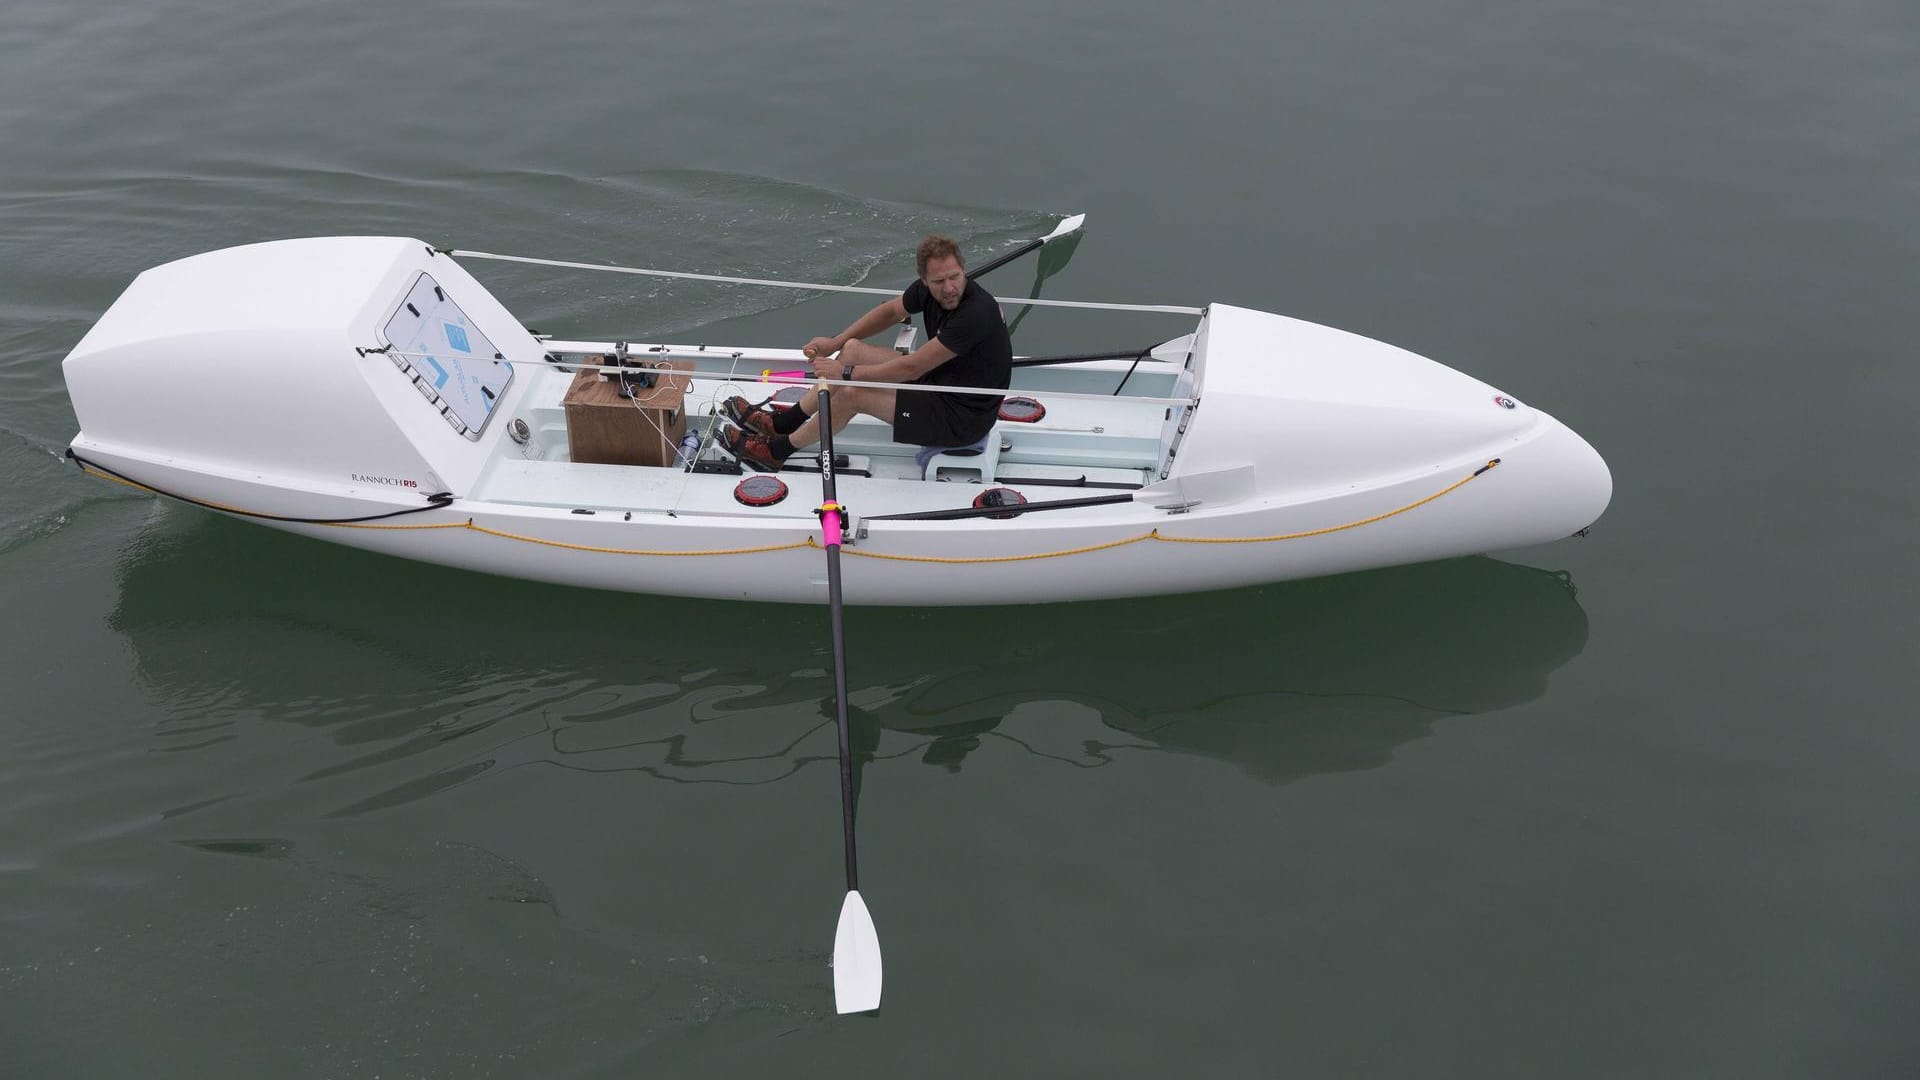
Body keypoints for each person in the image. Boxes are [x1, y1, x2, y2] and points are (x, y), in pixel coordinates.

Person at [720, 234, 1012, 471]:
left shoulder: (975, 314)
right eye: (939, 281)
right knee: (853, 349)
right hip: (940, 381)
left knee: (852, 394)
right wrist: (836, 343)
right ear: (924, 280)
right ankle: (783, 423)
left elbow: (912, 369)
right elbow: (889, 312)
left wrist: (844, 373)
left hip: (961, 418)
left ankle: (775, 452)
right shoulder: (929, 290)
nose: (949, 288)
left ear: (964, 270)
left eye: (955, 277)